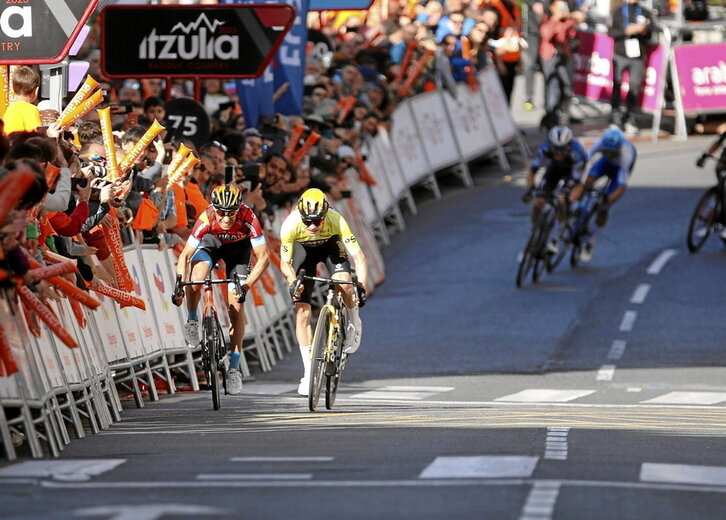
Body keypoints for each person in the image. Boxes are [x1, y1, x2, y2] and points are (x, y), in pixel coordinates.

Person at [174, 184, 270, 395]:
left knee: (236, 308)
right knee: (196, 278)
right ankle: (192, 319)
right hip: (211, 245)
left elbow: (264, 258)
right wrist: (179, 283)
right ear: (214, 208)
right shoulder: (206, 217)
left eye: (231, 213)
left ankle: (234, 368)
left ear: (239, 208)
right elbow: (185, 255)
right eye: (221, 212)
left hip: (238, 253)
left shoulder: (249, 217)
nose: (226, 218)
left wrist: (245, 286)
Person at [279, 188, 368, 397]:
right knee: (301, 310)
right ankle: (309, 371)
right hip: (303, 252)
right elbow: (285, 263)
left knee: (344, 283)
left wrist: (361, 286)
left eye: (317, 221)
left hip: (330, 246)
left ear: (325, 215)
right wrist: (293, 282)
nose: (312, 226)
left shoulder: (336, 219)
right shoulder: (290, 224)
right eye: (307, 221)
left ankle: (354, 321)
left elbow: (359, 257)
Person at [524, 125, 586, 253]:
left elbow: (576, 181)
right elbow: (533, 171)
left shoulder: (578, 153)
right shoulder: (545, 148)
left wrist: (565, 194)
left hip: (571, 173)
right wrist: (530, 189)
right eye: (556, 148)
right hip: (554, 170)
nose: (558, 152)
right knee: (539, 201)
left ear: (568, 146)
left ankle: (556, 238)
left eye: (562, 149)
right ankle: (533, 234)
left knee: (561, 200)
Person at [578, 127, 637, 261]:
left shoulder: (626, 154)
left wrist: (606, 201)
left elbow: (621, 186)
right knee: (587, 182)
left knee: (603, 207)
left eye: (612, 152)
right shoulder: (600, 143)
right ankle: (579, 207)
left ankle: (591, 241)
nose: (609, 154)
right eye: (607, 151)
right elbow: (585, 159)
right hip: (604, 164)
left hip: (619, 171)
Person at [608, 0, 653, 135]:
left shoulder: (645, 13)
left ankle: (630, 118)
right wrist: (625, 31)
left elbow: (651, 33)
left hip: (637, 56)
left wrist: (643, 30)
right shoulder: (617, 12)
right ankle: (615, 118)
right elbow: (610, 32)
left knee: (634, 87)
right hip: (620, 53)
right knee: (617, 84)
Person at [3, 66, 42, 135]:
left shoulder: (10, 109)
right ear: (36, 91)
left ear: (14, 89)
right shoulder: (32, 110)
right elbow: (35, 136)